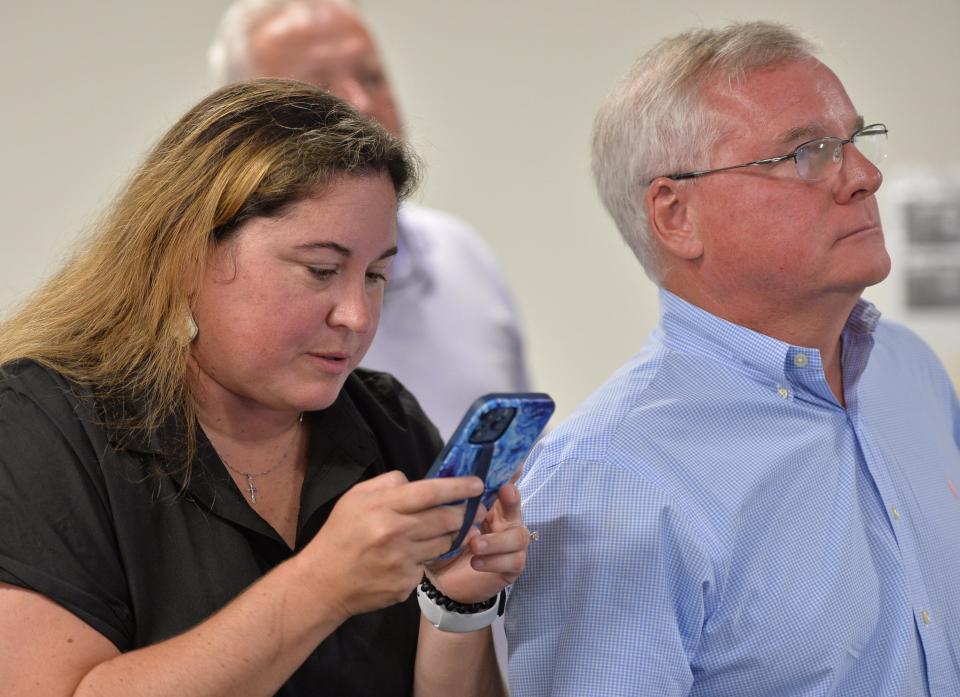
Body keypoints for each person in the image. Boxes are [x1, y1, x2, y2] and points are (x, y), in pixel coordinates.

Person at [0, 79, 530, 696]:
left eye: (376, 276)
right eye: (321, 271)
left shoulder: (388, 422)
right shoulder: (40, 427)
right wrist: (318, 587)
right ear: (187, 253)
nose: (356, 316)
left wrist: (455, 604)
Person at [506, 21, 960, 697]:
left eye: (856, 141)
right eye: (809, 152)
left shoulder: (907, 369)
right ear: (676, 214)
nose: (865, 176)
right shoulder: (610, 480)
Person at [208, 0, 530, 439]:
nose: (360, 103)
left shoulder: (465, 255)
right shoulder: (220, 281)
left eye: (371, 76)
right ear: (240, 120)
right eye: (319, 88)